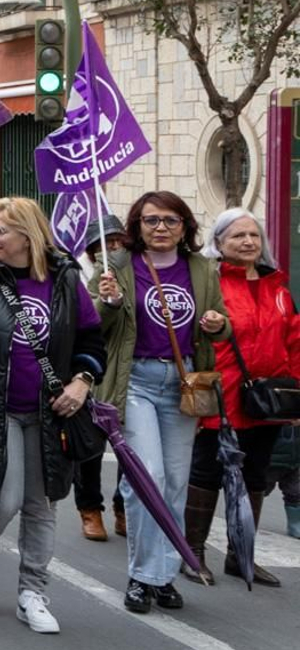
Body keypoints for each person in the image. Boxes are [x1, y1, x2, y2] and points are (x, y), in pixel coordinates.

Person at [0, 198, 105, 634]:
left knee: (42, 503)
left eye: (0, 230)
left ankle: (33, 592)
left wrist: (81, 382)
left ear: (28, 235)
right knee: (4, 498)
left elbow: (92, 340)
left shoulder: (65, 279)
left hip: (50, 411)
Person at [92, 191, 228, 615]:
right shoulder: (117, 265)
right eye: (151, 220)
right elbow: (98, 321)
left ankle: (163, 574)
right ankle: (141, 576)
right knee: (144, 475)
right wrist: (110, 300)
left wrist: (216, 323)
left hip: (183, 383)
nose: (161, 228)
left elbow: (219, 325)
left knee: (173, 481)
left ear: (185, 226)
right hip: (136, 381)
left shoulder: (202, 268)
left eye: (170, 220)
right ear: (138, 226)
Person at [186, 209, 296, 588]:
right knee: (207, 471)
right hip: (222, 393)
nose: (249, 242)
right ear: (218, 243)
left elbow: (294, 341)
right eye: (238, 236)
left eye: (253, 235)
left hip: (267, 398)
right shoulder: (211, 283)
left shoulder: (277, 287)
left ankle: (241, 554)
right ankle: (193, 552)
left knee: (256, 474)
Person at [72, 214, 129, 541]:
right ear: (93, 249)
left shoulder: (135, 271)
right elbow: (91, 322)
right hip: (96, 374)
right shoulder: (83, 278)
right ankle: (90, 509)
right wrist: (108, 299)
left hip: (129, 374)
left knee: (128, 451)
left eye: (119, 241)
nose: (115, 248)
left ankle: (123, 507)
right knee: (91, 450)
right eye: (106, 243)